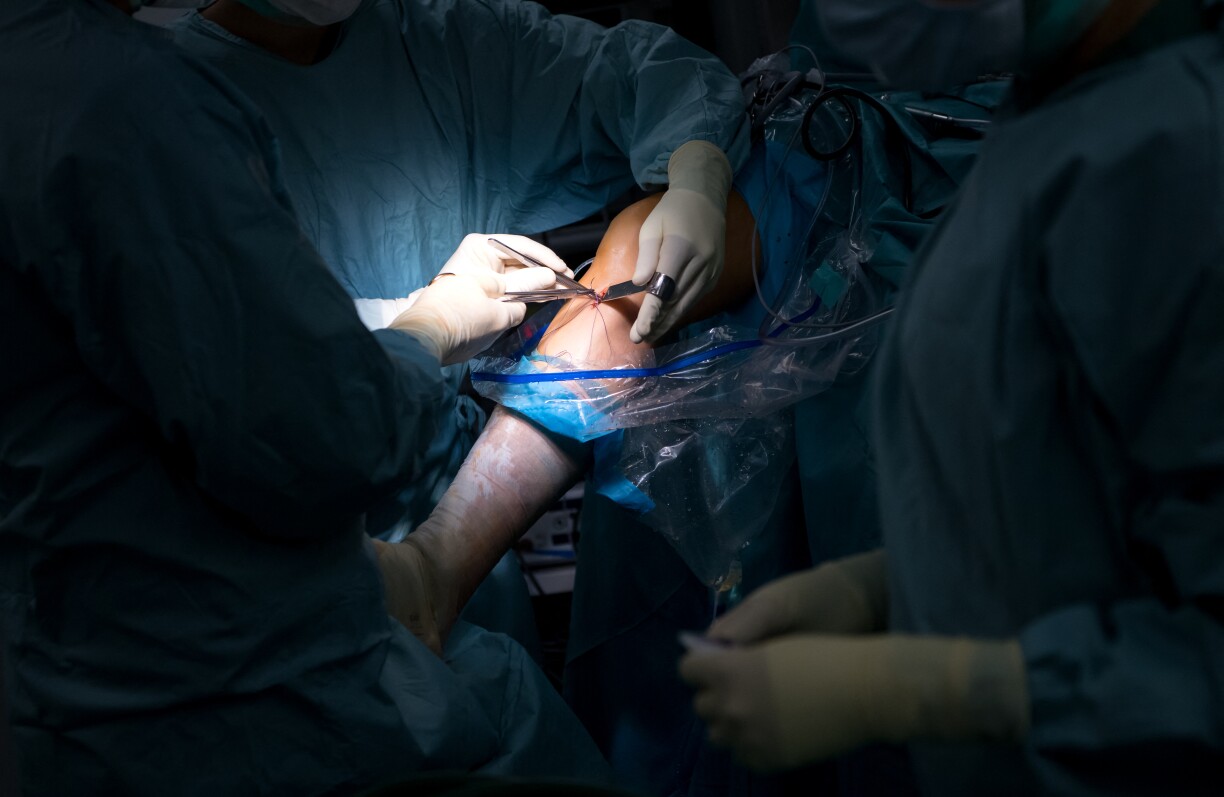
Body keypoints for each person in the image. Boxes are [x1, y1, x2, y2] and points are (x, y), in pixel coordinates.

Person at [0, 1, 618, 793]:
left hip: (73, 703)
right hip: (242, 710)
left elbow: (148, 354)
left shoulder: (40, 79)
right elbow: (329, 433)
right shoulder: (117, 101)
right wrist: (424, 331)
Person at [678, 0, 1224, 793]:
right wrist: (894, 585)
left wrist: (939, 685)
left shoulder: (1177, 157)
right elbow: (1090, 506)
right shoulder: (1061, 116)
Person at [165, 0, 750, 650]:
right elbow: (201, 358)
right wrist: (417, 326)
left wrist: (696, 175)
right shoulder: (154, 105)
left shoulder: (444, 48)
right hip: (269, 590)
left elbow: (648, 75)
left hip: (467, 585)